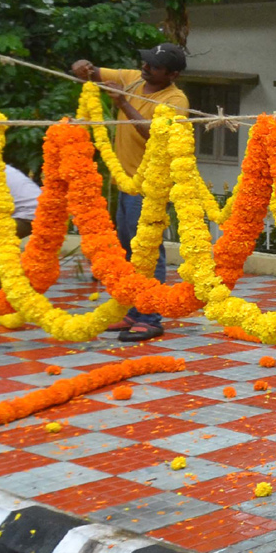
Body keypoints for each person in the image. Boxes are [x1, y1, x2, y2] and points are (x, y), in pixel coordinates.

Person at [70, 44, 189, 342]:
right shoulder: (132, 78)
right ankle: (133, 310)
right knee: (127, 247)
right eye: (145, 61)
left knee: (147, 251)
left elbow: (155, 133)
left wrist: (123, 103)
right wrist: (83, 65)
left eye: (154, 65)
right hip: (126, 182)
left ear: (172, 74)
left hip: (151, 187)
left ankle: (150, 316)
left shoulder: (175, 99)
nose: (145, 67)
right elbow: (92, 72)